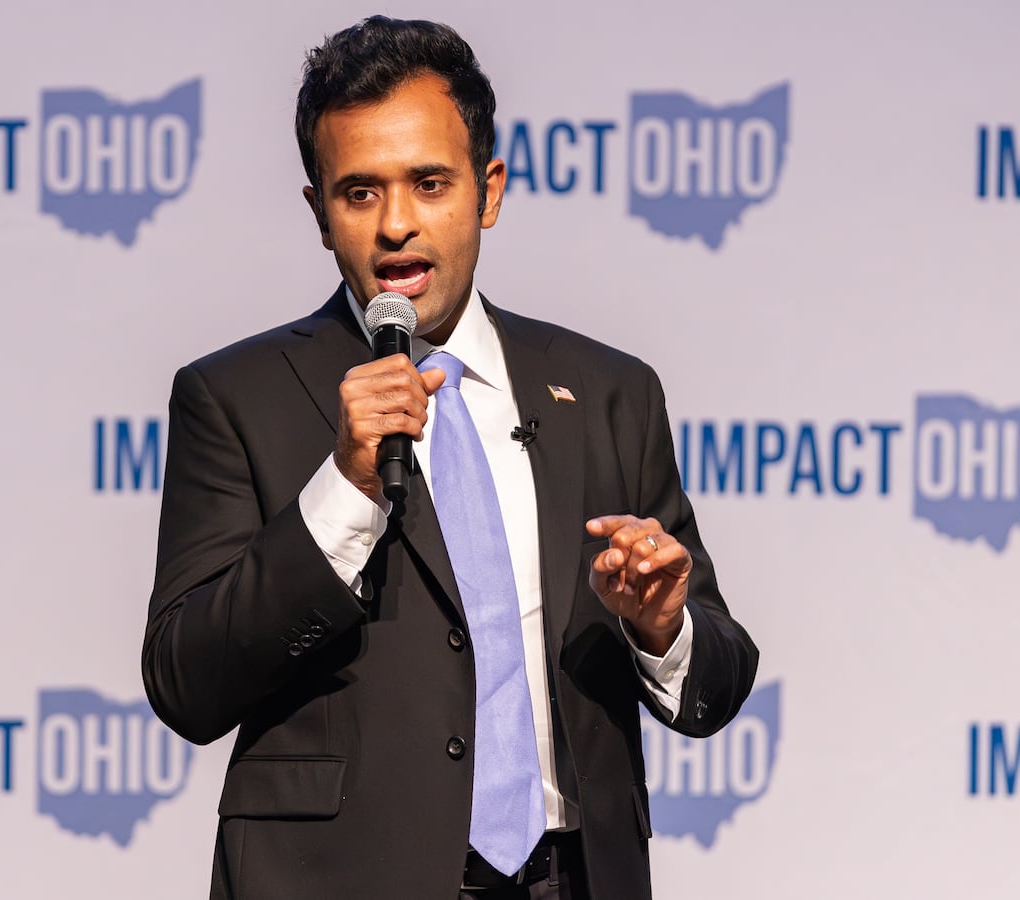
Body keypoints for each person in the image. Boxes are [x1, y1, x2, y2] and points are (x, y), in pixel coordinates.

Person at [142, 16, 758, 900]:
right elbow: (185, 683)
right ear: (319, 215)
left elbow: (718, 681)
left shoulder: (608, 392)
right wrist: (344, 487)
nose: (396, 225)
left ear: (488, 191)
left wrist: (662, 627)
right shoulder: (237, 396)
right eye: (360, 193)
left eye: (430, 183)